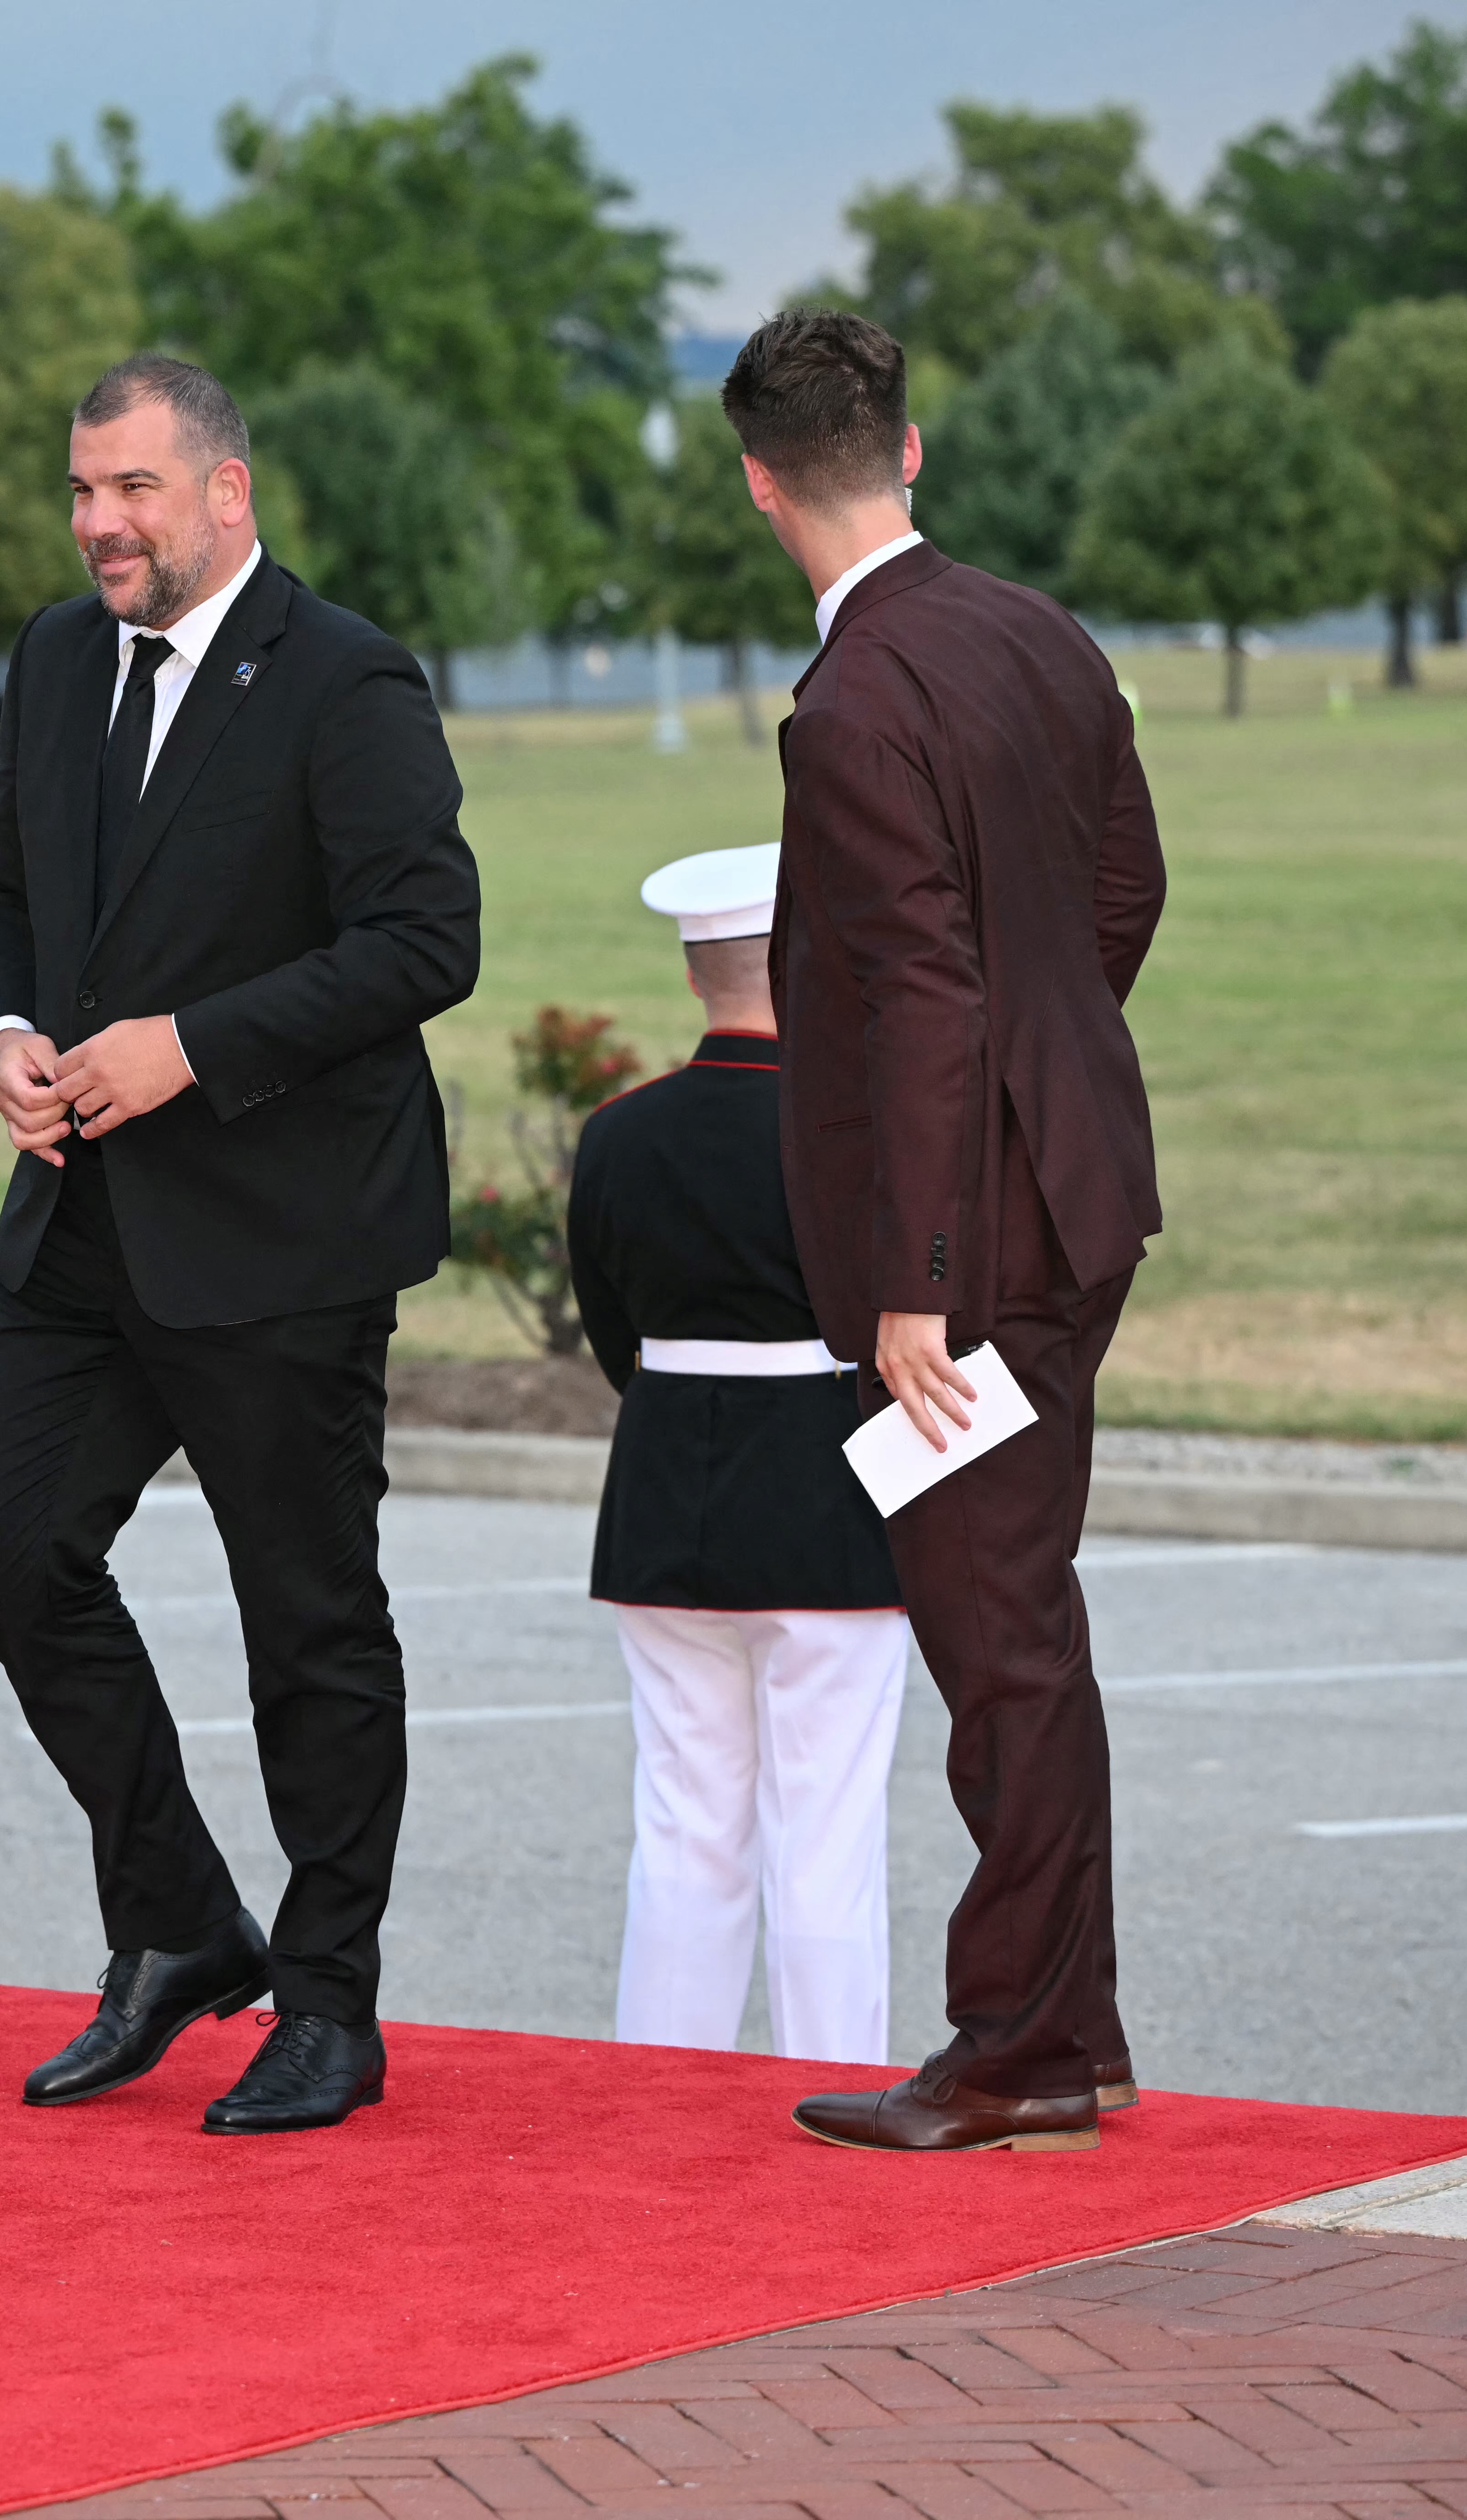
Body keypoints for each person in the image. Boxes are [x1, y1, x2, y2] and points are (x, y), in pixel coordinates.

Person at [0, 353, 482, 2135]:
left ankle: (330, 2002)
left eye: (135, 489)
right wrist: (7, 1032)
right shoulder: (54, 658)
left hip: (285, 1229)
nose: (100, 522)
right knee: (11, 1542)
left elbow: (427, 939)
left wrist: (193, 1046)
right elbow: (5, 892)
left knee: (307, 1621)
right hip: (83, 1220)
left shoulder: (346, 678)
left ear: (226, 493)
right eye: (82, 490)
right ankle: (180, 1919)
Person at [724, 309, 1168, 2156]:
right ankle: (1075, 2027)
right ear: (906, 452)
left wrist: (912, 1281)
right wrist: (1044, 1064)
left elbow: (916, 993)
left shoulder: (852, 703)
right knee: (1022, 1624)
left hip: (967, 1252)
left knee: (998, 1642)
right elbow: (1126, 888)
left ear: (762, 485)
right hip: (1072, 1191)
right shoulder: (1041, 632)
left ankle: (1025, 2046)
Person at [569, 845, 913, 2065]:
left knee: (684, 1822)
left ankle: (664, 2087)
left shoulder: (617, 1133)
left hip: (665, 1492)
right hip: (829, 1501)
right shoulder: (864, 1131)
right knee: (824, 1831)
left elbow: (611, 1329)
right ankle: (836, 2079)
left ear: (694, 975)